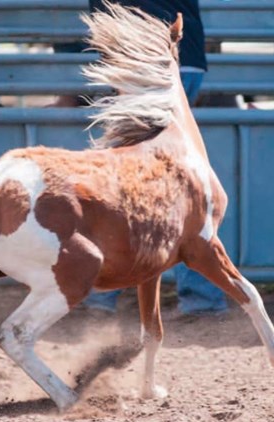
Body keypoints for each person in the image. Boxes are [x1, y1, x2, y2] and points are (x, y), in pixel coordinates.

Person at [82, 0, 229, 316]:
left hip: (140, 55)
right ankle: (201, 294)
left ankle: (104, 291)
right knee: (179, 172)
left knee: (127, 171)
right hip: (180, 54)